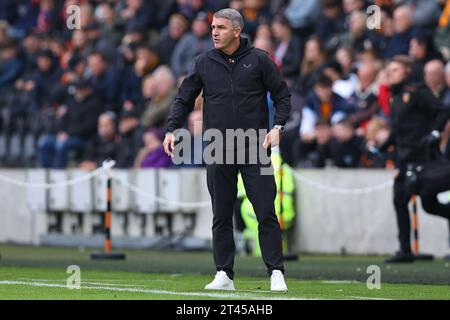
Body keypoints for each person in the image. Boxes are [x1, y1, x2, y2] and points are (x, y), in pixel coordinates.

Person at [164, 8, 291, 291]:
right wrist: (172, 129)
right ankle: (224, 273)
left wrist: (277, 127)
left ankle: (276, 272)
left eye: (220, 27)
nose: (214, 32)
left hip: (254, 145)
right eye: (212, 27)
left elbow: (282, 95)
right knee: (221, 214)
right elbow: (184, 98)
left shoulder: (260, 60)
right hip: (218, 146)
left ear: (236, 30)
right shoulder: (203, 62)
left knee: (265, 211)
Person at [380, 55, 450, 263]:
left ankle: (406, 250)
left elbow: (443, 110)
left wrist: (435, 134)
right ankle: (405, 250)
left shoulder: (417, 92)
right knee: (400, 200)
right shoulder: (395, 98)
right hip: (404, 159)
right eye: (389, 70)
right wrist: (383, 146)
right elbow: (399, 130)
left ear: (407, 72)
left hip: (422, 159)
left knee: (429, 204)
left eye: (395, 70)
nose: (390, 73)